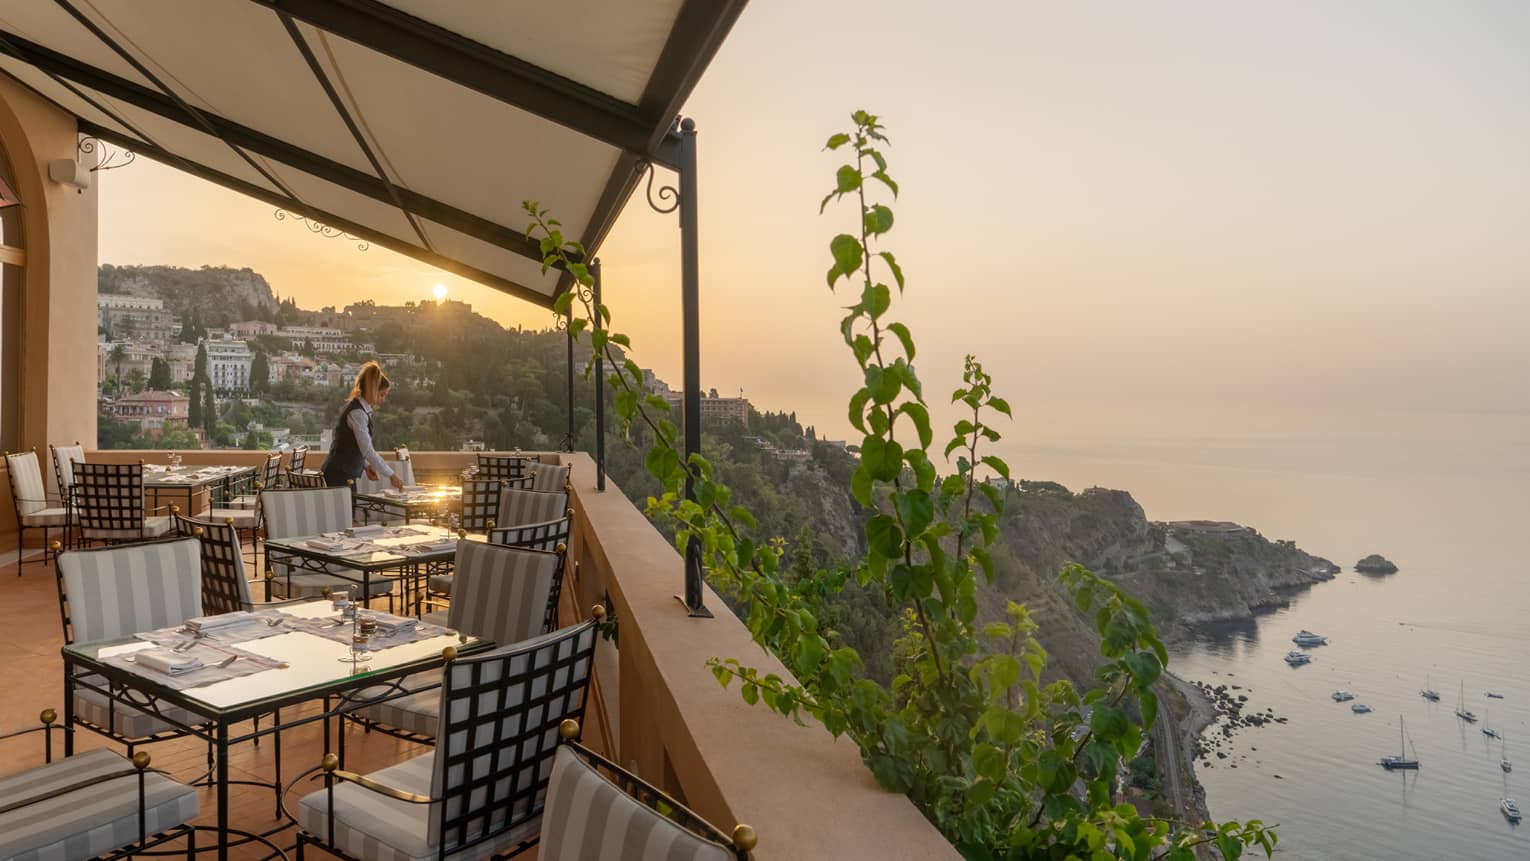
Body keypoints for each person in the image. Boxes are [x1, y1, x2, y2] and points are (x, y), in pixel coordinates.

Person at [322, 361, 406, 490]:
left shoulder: (359, 410)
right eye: (382, 394)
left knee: (351, 509)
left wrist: (366, 466)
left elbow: (355, 446)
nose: (382, 399)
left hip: (343, 474)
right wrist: (392, 475)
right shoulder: (357, 413)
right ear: (373, 390)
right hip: (338, 476)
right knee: (347, 510)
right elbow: (367, 450)